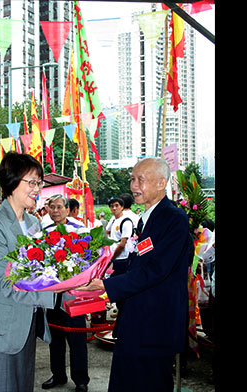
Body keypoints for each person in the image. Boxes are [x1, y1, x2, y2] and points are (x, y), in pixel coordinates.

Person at [77, 157, 193, 392]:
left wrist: (107, 286)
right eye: (132, 179)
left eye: (141, 179)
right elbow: (139, 264)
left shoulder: (174, 219)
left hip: (156, 324)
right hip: (137, 318)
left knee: (150, 383)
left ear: (161, 183)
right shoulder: (146, 219)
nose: (133, 186)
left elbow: (156, 270)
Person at [0, 152, 56, 392]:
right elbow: (3, 283)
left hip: (24, 329)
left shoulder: (34, 224)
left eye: (40, 182)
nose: (38, 188)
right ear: (12, 181)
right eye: (33, 182)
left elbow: (42, 271)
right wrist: (55, 292)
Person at [41, 194, 89, 392]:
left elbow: (90, 260)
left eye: (59, 207)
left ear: (68, 210)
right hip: (52, 295)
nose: (55, 211)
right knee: (55, 338)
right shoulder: (44, 232)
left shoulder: (80, 230)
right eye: (52, 207)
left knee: (77, 339)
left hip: (73, 294)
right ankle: (58, 374)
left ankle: (81, 380)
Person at [106, 197, 135, 277]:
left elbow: (122, 244)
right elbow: (107, 231)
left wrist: (112, 258)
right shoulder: (114, 220)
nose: (114, 208)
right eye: (112, 206)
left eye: (116, 205)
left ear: (122, 207)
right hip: (113, 256)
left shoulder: (126, 222)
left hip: (121, 258)